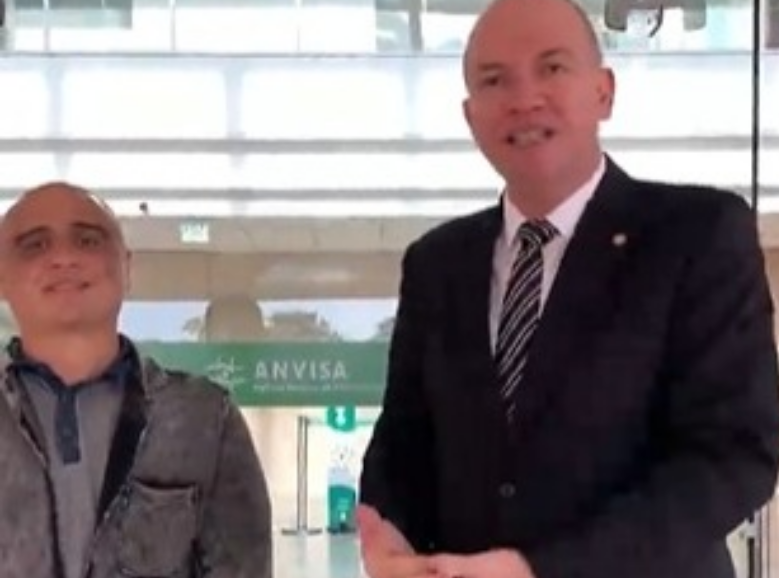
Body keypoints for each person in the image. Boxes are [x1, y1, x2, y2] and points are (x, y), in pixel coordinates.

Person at [357, 0, 779, 576]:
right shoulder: (437, 264)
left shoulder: (696, 234)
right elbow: (402, 443)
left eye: (552, 68)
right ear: (471, 115)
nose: (524, 98)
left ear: (604, 92)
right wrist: (389, 535)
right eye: (494, 80)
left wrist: (538, 569)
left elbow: (734, 455)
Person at [0, 182, 272, 578]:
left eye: (87, 240)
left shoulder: (204, 420)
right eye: (35, 245)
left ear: (126, 267)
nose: (64, 257)